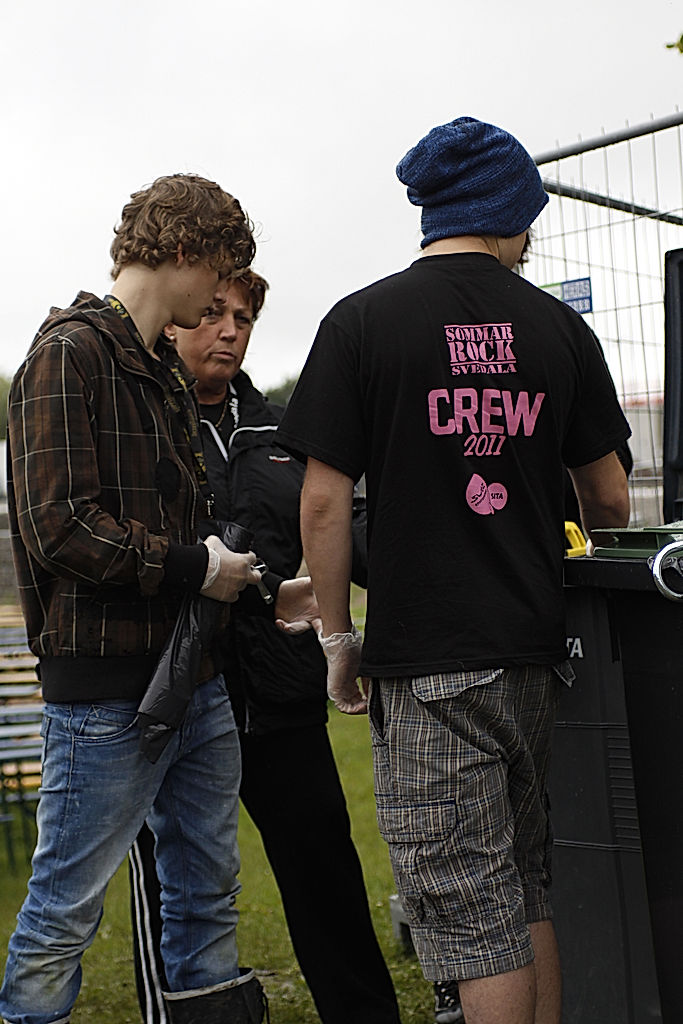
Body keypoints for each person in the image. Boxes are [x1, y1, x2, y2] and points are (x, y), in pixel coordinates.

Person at [275, 117, 632, 1024]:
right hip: (531, 649)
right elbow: (613, 502)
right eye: (529, 217)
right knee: (523, 879)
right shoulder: (557, 328)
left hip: (427, 661)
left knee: (468, 909)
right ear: (506, 212)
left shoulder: (360, 322)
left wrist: (336, 641)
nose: (531, 235)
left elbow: (320, 505)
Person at [0, 174, 319, 1024]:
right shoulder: (66, 354)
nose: (221, 301)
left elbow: (197, 537)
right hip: (105, 696)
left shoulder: (161, 372)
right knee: (63, 915)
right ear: (182, 253)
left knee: (206, 902)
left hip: (197, 684)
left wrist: (260, 595)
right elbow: (58, 528)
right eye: (215, 277)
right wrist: (191, 568)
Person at [128, 268, 402, 1024]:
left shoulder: (288, 434)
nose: (228, 329)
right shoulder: (140, 422)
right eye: (212, 313)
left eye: (243, 316)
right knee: (174, 887)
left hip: (280, 696)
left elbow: (350, 528)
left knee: (326, 877)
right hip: (174, 695)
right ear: (177, 316)